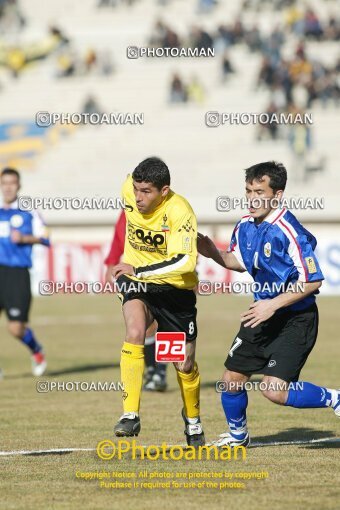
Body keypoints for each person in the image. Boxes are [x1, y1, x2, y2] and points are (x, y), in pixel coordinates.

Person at [198, 161, 339, 447]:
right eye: (248, 191)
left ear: (277, 195)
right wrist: (214, 253)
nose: (252, 198)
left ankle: (335, 398)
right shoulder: (245, 225)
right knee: (231, 380)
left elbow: (313, 281)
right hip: (262, 314)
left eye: (259, 191)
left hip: (296, 319)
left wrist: (272, 304)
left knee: (273, 391)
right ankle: (238, 436)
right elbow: (238, 262)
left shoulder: (289, 230)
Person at [111, 157, 204, 446]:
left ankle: (192, 421)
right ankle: (130, 414)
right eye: (137, 189)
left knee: (182, 363)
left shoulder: (180, 211)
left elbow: (185, 263)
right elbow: (122, 224)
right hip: (137, 282)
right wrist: (129, 267)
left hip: (173, 292)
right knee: (135, 331)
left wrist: (138, 269)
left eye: (146, 191)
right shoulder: (128, 189)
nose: (138, 197)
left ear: (164, 191)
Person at [104, 209, 168, 391]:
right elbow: (119, 237)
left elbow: (183, 241)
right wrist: (111, 263)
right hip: (136, 275)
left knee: (166, 324)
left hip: (166, 274)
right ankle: (154, 370)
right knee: (145, 325)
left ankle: (162, 371)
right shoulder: (128, 210)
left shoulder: (169, 209)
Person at [0, 167, 50, 376]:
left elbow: (45, 238)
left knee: (16, 328)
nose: (8, 187)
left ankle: (36, 350)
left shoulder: (28, 211)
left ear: (18, 185)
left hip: (17, 273)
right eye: (5, 183)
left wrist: (25, 239)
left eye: (12, 183)